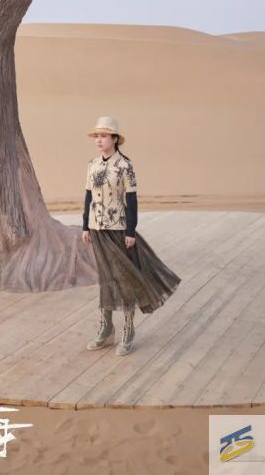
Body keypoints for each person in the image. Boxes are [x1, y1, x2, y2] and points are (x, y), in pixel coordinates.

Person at [82, 116, 181, 355]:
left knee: (125, 278)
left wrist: (130, 230)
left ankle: (128, 329)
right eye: (97, 135)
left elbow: (132, 200)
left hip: (118, 228)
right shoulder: (92, 164)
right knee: (106, 278)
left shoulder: (125, 166)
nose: (99, 139)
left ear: (115, 139)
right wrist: (85, 225)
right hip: (97, 228)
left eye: (103, 135)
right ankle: (106, 328)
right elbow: (88, 196)